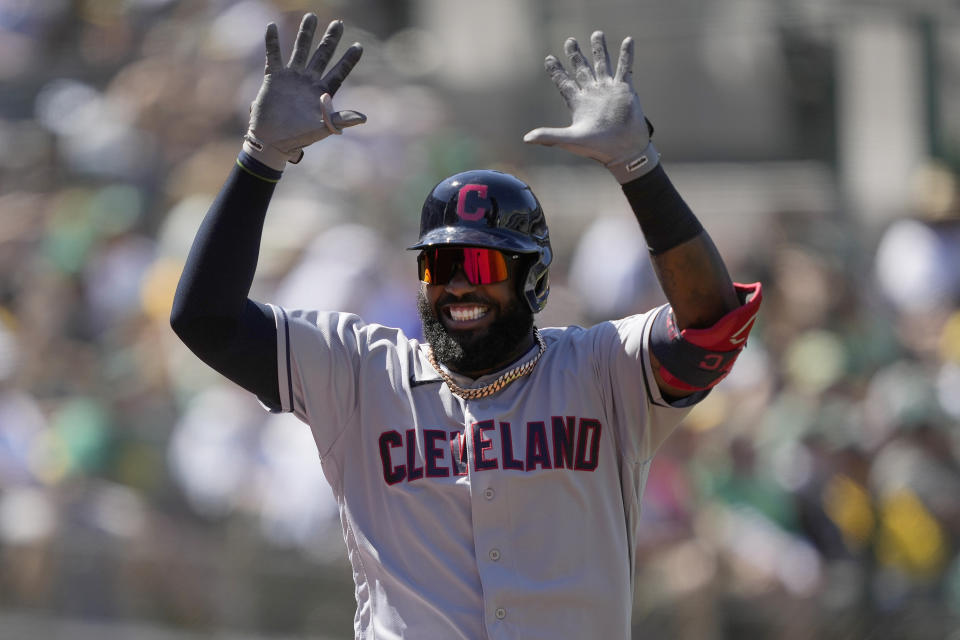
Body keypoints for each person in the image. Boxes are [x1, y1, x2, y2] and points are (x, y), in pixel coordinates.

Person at [170, 13, 762, 639]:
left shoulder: (602, 369)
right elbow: (206, 319)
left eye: (480, 262)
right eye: (440, 263)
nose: (457, 283)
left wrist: (640, 167)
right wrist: (259, 158)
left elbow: (711, 323)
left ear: (533, 278)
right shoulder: (361, 372)